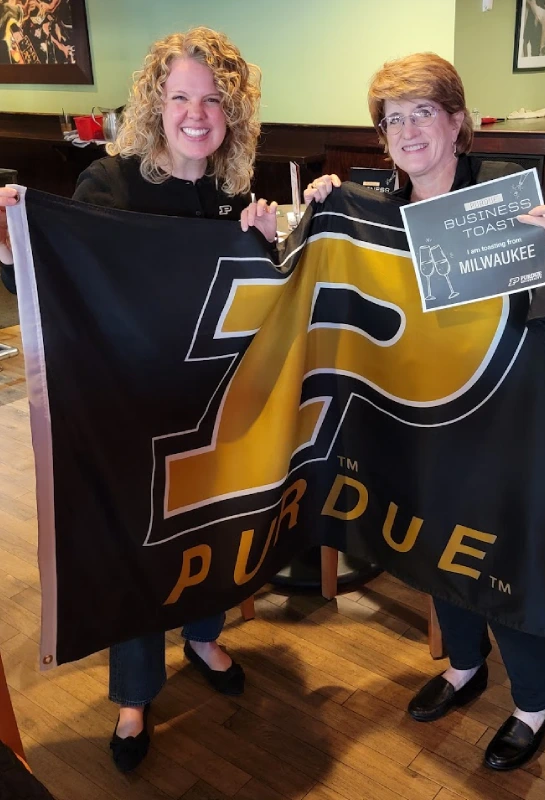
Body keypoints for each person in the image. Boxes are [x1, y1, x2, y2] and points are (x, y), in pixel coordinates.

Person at [301, 52, 545, 772]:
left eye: (422, 112)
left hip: (504, 418)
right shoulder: (374, 208)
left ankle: (535, 698)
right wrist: (323, 206)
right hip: (422, 414)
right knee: (439, 540)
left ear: (457, 120)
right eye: (392, 119)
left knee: (503, 549)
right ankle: (465, 667)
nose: (407, 131)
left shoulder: (502, 198)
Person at [0, 25, 278, 773]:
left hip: (206, 405)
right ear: (157, 102)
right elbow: (66, 283)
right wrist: (13, 246)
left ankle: (204, 635)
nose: (197, 113)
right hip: (130, 411)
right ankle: (133, 695)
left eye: (213, 99)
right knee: (140, 546)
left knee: (210, 526)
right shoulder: (110, 184)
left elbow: (251, 300)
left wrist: (267, 240)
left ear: (233, 111)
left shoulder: (232, 192)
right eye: (181, 96)